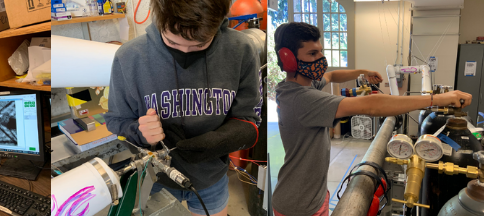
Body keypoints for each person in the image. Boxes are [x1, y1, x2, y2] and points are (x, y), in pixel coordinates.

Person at [271, 22, 472, 216]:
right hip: (299, 206)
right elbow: (371, 106)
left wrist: (362, 72)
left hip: (312, 194)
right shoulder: (302, 99)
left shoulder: (301, 86)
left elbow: (331, 76)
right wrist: (437, 99)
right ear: (289, 59)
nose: (321, 58)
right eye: (313, 54)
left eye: (321, 51)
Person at [103, 0, 263, 215]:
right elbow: (116, 120)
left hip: (211, 178)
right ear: (158, 19)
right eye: (173, 42)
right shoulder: (130, 56)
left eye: (200, 44)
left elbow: (249, 120)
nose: (185, 53)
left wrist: (221, 139)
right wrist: (140, 132)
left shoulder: (241, 49)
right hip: (155, 178)